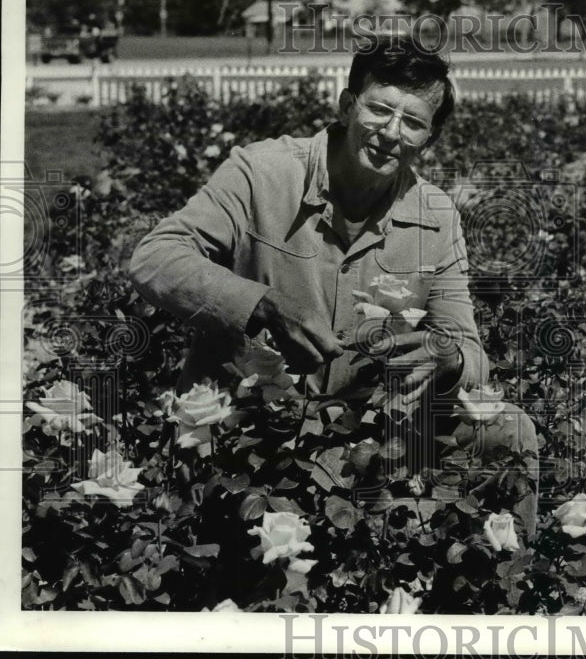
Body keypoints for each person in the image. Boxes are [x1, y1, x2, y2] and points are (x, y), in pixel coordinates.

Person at [129, 35, 537, 536]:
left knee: (508, 429)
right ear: (347, 106)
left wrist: (446, 355)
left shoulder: (436, 216)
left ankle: (506, 591)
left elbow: (470, 351)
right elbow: (154, 257)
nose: (391, 133)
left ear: (427, 139)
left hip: (367, 430)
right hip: (249, 419)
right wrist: (263, 305)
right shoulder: (262, 173)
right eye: (380, 110)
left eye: (412, 122)